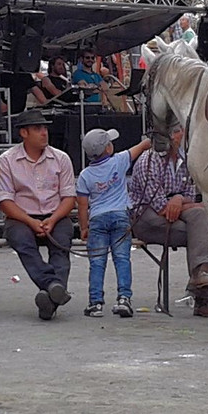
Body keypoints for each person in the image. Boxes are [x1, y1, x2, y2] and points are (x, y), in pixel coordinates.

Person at [127, 125, 208, 317]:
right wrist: (178, 202)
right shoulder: (148, 161)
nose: (184, 134)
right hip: (146, 218)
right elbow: (160, 207)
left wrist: (178, 200)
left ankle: (200, 276)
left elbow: (189, 195)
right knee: (199, 229)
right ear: (169, 136)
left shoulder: (186, 161)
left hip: (176, 213)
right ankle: (203, 296)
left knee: (199, 217)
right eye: (179, 130)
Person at [0, 109, 77, 321]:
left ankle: (50, 298)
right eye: (38, 129)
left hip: (55, 214)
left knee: (61, 243)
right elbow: (4, 201)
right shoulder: (7, 160)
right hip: (21, 216)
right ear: (24, 133)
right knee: (22, 241)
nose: (44, 133)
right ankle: (53, 285)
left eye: (45, 128)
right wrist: (30, 221)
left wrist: (54, 218)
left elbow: (68, 198)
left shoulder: (61, 158)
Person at [77, 128, 152, 318]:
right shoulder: (119, 161)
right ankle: (124, 299)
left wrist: (84, 228)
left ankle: (95, 303)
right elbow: (142, 147)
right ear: (108, 149)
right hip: (120, 216)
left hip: (97, 219)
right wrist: (151, 138)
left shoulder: (85, 175)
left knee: (97, 261)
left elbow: (83, 206)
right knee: (122, 259)